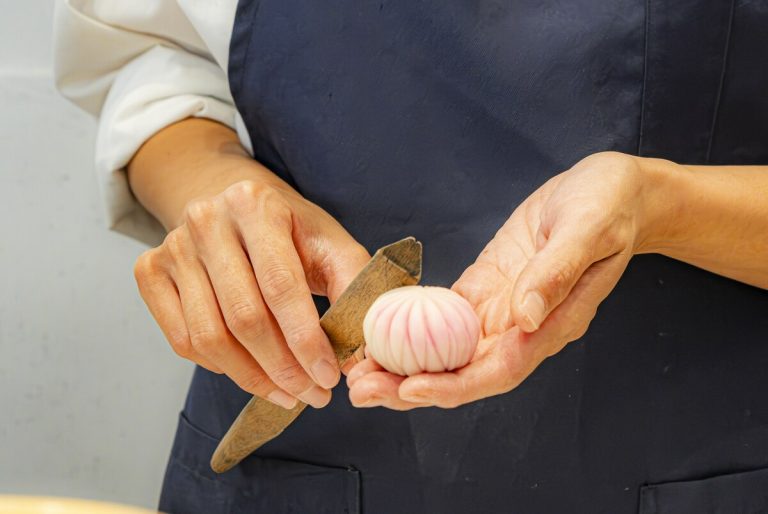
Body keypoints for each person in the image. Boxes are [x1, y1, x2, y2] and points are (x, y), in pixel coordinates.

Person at [54, 1, 768, 512]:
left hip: (697, 456)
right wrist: (217, 188)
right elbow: (151, 57)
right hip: (305, 454)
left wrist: (660, 203)